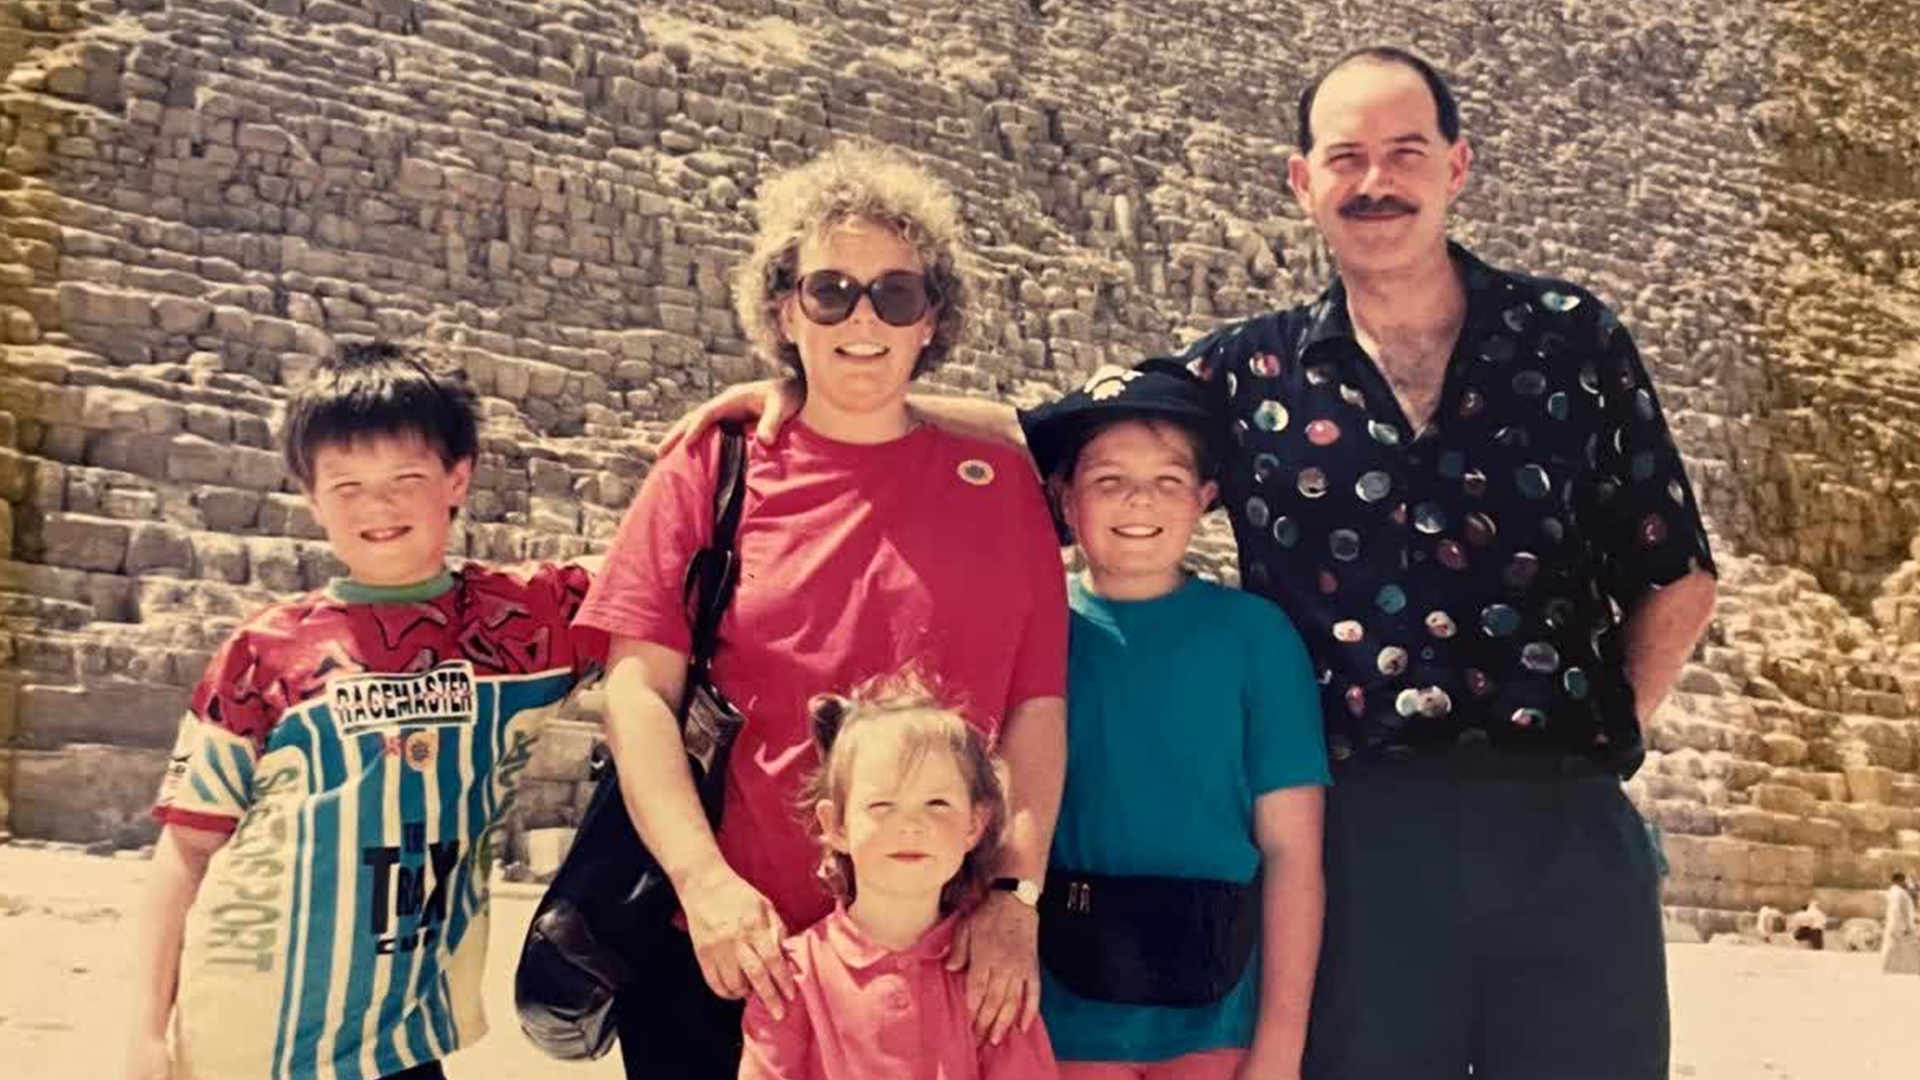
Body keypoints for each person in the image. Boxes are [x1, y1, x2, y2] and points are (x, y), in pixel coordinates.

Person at [669, 45, 1719, 1080]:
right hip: (1363, 831)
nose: (1377, 181)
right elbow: (1067, 434)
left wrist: (1597, 745)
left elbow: (1675, 569)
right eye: (1346, 157)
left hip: (1563, 824)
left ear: (1458, 164)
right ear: (1301, 181)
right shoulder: (1250, 373)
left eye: (1406, 151)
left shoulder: (1571, 339)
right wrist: (833, 391)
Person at [574, 143, 1069, 1080]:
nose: (863, 318)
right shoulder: (712, 467)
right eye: (831, 291)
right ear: (783, 309)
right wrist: (703, 882)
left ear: (934, 320)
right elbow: (637, 693)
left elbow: (1035, 708)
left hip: (935, 963)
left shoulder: (1003, 489)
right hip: (730, 948)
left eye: (896, 294)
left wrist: (1015, 894)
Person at [124, 341, 607, 1080]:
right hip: (245, 1042)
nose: (377, 506)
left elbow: (674, 545)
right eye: (346, 485)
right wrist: (144, 1035)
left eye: (405, 479)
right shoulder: (262, 652)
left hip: (402, 1043)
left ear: (458, 476)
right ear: (311, 497)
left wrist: (757, 407)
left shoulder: (528, 623)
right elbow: (186, 849)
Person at [1021, 364, 1328, 1080]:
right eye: (1108, 480)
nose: (1139, 500)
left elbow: (1292, 851)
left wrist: (1280, 1046)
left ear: (1205, 498)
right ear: (1064, 498)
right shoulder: (1034, 625)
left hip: (1215, 1016)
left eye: (1168, 479)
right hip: (1060, 1014)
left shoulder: (1256, 638)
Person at [738, 680, 1059, 1079]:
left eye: (937, 803)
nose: (911, 825)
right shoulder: (792, 978)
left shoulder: (992, 980)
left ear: (974, 825)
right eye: (882, 804)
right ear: (836, 825)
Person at [1882, 873, 1918, 975]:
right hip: (1898, 924)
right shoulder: (1897, 893)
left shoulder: (1896, 892)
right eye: (1903, 880)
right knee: (1897, 947)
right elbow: (1896, 910)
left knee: (1897, 947)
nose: (1905, 882)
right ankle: (1892, 968)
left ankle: (1893, 968)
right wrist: (1903, 926)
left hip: (1897, 924)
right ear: (1898, 881)